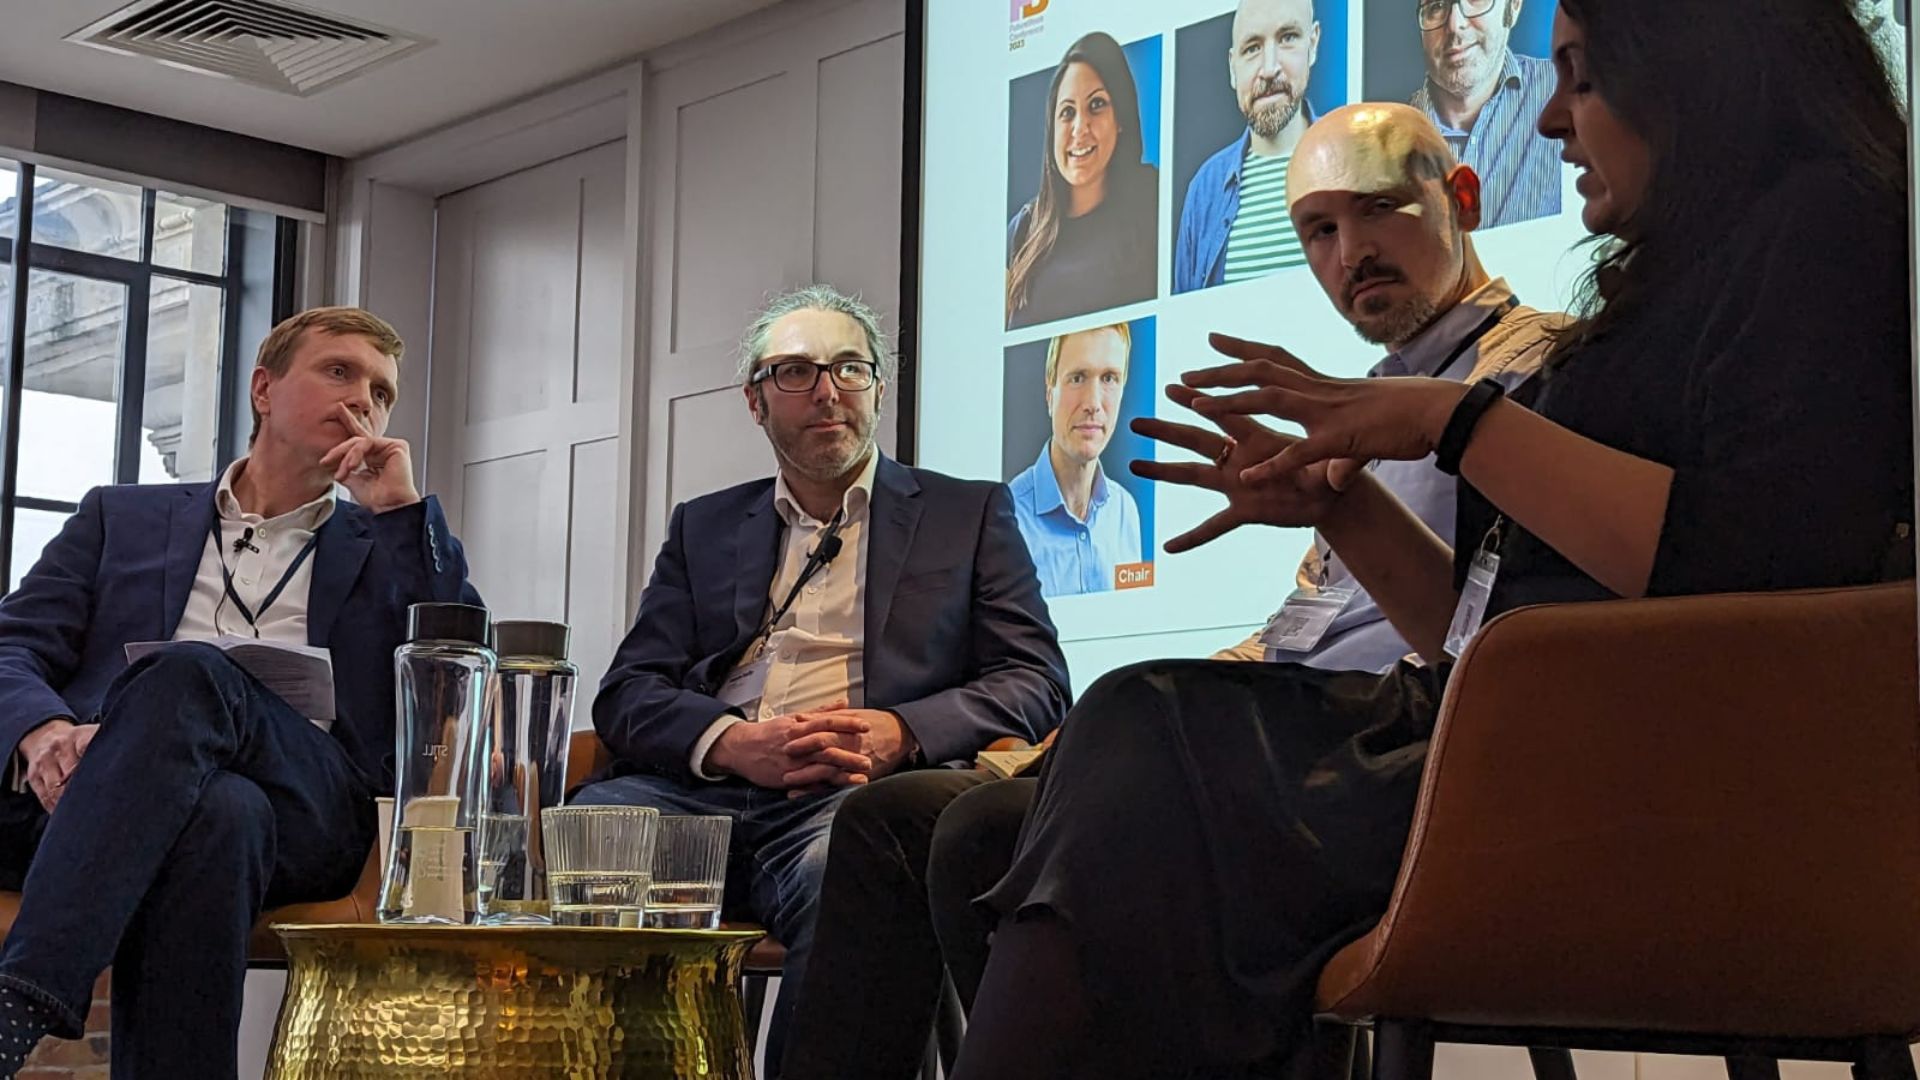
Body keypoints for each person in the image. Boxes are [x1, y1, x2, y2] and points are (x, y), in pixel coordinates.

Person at [953, 0, 1916, 1073]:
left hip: (1644, 775)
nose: (1550, 121)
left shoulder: (1825, 230)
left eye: (1584, 77)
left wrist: (1450, 420)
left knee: (1143, 738)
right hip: (1536, 737)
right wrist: (1341, 506)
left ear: (1697, 75)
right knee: (1016, 818)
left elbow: (1757, 563)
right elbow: (1476, 641)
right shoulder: (1662, 288)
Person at [782, 106, 1568, 1080]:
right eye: (1319, 230)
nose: (1350, 252)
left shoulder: (1539, 374)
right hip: (1296, 733)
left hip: (1413, 757)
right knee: (901, 820)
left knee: (1032, 797)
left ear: (1463, 199)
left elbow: (1515, 642)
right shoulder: (1364, 400)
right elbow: (1300, 632)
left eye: (1377, 211)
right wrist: (1052, 753)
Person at [573, 284, 1070, 1077]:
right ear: (755, 400)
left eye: (849, 368)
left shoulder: (965, 513)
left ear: (878, 387)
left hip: (849, 797)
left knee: (860, 863)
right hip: (701, 793)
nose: (828, 391)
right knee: (591, 835)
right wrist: (731, 744)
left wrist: (904, 732)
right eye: (797, 372)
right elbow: (629, 691)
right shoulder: (704, 526)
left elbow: (1035, 680)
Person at [0, 308, 480, 1079]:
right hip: (113, 789)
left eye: (382, 391)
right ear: (264, 388)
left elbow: (457, 665)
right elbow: (12, 645)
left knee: (191, 673)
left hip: (310, 802)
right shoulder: (120, 517)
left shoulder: (383, 538)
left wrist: (396, 513)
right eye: (338, 371)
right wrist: (44, 730)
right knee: (220, 814)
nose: (363, 398)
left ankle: (19, 1002)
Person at [1006, 31, 1159, 331]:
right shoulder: (1023, 229)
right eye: (1067, 112)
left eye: (1097, 105)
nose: (1080, 128)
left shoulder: (1155, 200)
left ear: (1121, 121)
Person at [1175, 0, 1324, 294]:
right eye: (1252, 48)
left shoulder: (1352, 156)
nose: (1269, 69)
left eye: (1288, 38)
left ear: (1313, 44)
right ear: (1233, 68)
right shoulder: (1204, 190)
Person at [1007, 323, 1145, 597]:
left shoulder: (1125, 511)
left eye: (1109, 378)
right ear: (1050, 393)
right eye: (1078, 378)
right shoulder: (1007, 517)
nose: (1093, 403)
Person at [1409, 0, 1561, 228]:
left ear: (1514, 6)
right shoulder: (1391, 138)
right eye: (1437, 6)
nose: (1454, 25)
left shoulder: (1561, 92)